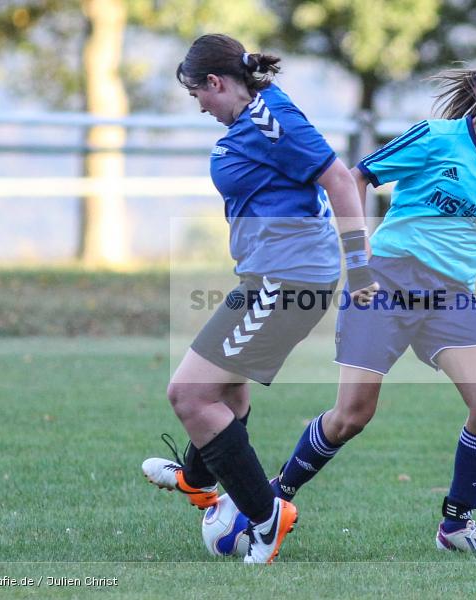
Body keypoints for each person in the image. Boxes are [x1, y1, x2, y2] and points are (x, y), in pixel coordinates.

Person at [269, 51, 476, 554]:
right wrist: (356, 250)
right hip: (385, 282)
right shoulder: (434, 138)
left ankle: (456, 525)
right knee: (352, 416)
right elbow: (357, 178)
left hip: (450, 298)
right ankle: (275, 497)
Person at [140, 33, 377, 565]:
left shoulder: (271, 118)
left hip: (288, 282)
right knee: (226, 395)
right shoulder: (253, 117)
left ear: (217, 82)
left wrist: (360, 270)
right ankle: (198, 480)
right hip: (266, 278)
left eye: (197, 93)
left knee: (187, 394)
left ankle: (268, 517)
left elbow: (340, 181)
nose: (198, 103)